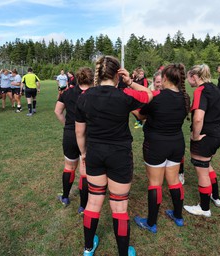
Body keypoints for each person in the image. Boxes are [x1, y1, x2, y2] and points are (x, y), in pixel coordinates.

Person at [75, 56, 153, 256]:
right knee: (119, 207)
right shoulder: (124, 94)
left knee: (93, 202)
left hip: (95, 153)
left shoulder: (84, 96)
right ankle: (123, 252)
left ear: (98, 74)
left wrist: (83, 154)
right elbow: (149, 95)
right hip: (119, 155)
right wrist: (130, 81)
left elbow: (79, 132)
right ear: (118, 74)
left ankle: (88, 248)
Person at [133, 64, 190, 233]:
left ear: (164, 78)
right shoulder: (185, 97)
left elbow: (140, 115)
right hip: (176, 143)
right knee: (174, 181)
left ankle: (151, 223)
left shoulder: (156, 96)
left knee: (155, 183)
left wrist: (130, 106)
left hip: (156, 145)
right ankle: (178, 216)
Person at [184, 64, 220, 217]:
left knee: (202, 171)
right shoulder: (215, 88)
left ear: (194, 76)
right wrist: (216, 124)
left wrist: (195, 136)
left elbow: (198, 118)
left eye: (188, 77)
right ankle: (216, 197)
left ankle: (204, 208)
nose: (187, 81)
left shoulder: (200, 90)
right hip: (218, 134)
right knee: (208, 166)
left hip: (206, 137)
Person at [54, 67, 93, 215]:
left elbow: (57, 111)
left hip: (70, 134)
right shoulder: (94, 94)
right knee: (84, 171)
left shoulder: (67, 92)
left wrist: (67, 125)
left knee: (69, 166)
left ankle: (65, 197)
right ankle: (83, 206)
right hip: (88, 135)